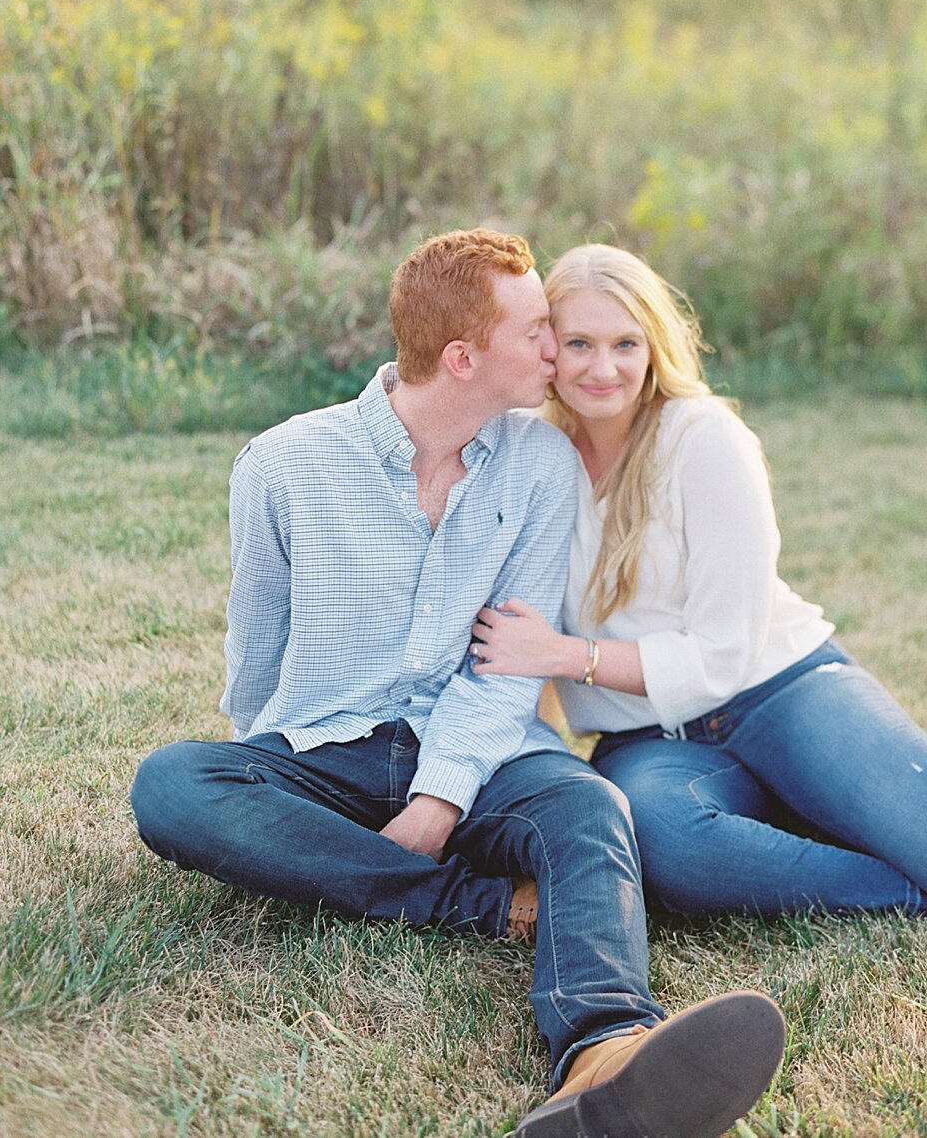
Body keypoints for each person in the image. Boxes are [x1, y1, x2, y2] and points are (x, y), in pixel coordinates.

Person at [130, 229, 786, 1138]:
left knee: (589, 808)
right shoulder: (283, 465)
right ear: (463, 357)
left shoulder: (538, 463)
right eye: (538, 334)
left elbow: (502, 663)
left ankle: (606, 1050)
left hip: (482, 744)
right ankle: (480, 906)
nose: (557, 351)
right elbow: (259, 646)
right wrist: (270, 797)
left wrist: (440, 797)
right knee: (173, 783)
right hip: (329, 746)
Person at [471, 243, 927, 923]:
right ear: (548, 347)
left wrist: (566, 656)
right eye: (579, 342)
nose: (603, 367)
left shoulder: (702, 438)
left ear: (654, 346)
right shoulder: (528, 455)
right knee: (672, 853)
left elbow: (723, 653)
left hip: (778, 692)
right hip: (646, 741)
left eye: (625, 343)